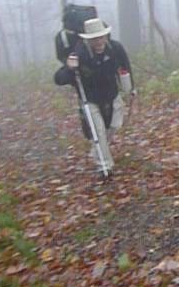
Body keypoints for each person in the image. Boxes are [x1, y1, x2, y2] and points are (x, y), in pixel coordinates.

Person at [54, 18, 136, 175]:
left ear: (106, 36)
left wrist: (131, 88)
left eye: (101, 37)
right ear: (88, 40)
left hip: (112, 95)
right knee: (99, 131)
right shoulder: (79, 54)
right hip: (90, 99)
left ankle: (97, 150)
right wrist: (69, 69)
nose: (99, 42)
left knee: (114, 126)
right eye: (94, 39)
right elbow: (58, 79)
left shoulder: (115, 48)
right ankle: (104, 166)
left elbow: (125, 67)